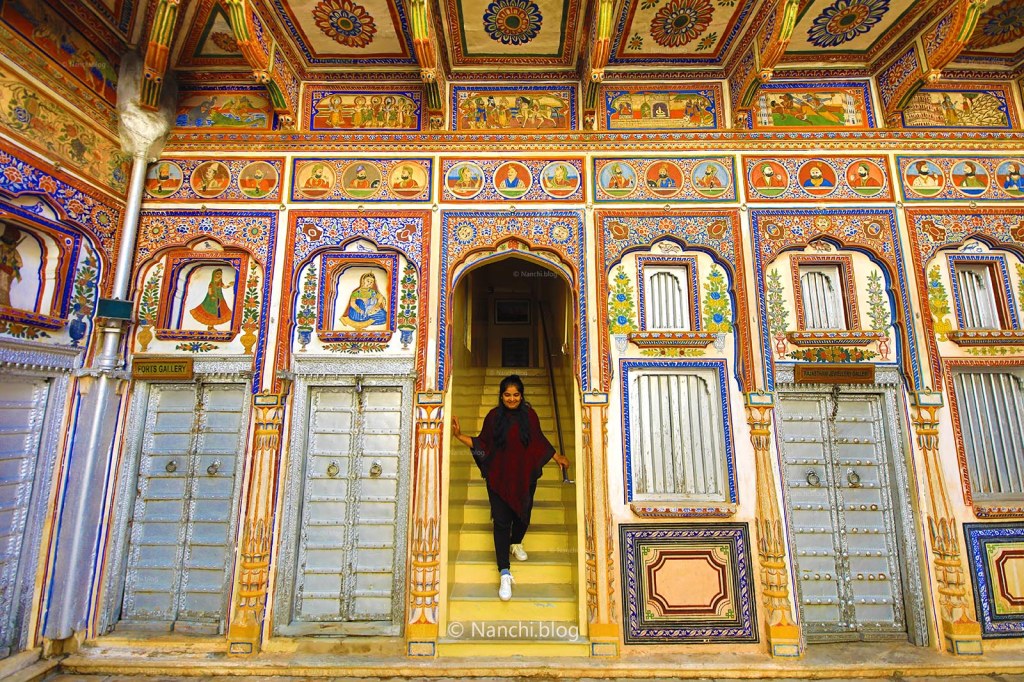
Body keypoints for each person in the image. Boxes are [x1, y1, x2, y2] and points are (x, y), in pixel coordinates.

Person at [451, 375, 570, 601]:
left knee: (523, 515)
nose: (512, 399)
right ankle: (504, 572)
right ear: (501, 395)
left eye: (516, 395)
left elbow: (539, 441)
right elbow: (482, 444)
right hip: (499, 478)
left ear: (521, 396)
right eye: (507, 395)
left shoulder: (530, 416)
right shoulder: (493, 417)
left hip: (524, 477)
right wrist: (458, 436)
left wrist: (557, 457)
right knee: (501, 522)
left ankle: (515, 543)